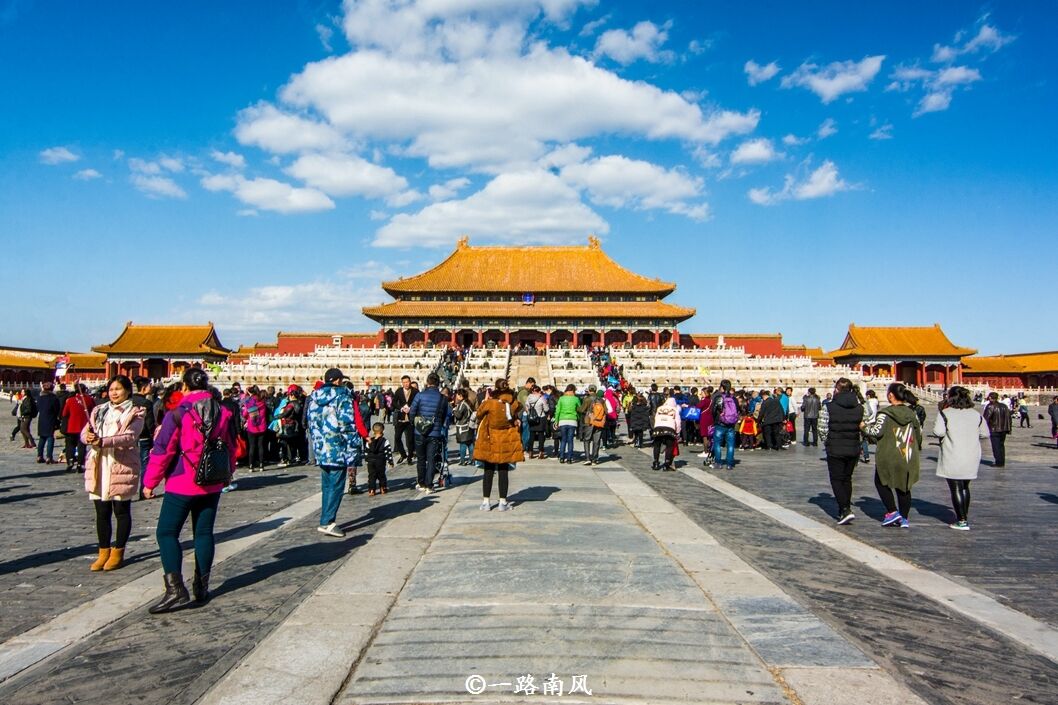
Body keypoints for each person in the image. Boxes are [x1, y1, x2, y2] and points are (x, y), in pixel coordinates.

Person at [143, 368, 236, 612]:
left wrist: (149, 482)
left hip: (182, 480)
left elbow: (163, 450)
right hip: (212, 480)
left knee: (166, 533)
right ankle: (201, 586)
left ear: (184, 386)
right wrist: (228, 474)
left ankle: (175, 589)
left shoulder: (178, 413)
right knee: (203, 533)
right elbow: (229, 446)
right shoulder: (223, 412)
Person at [82, 376, 146, 572]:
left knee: (120, 510)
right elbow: (84, 433)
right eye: (111, 389)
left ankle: (118, 551)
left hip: (121, 465)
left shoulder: (136, 412)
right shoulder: (98, 410)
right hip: (99, 463)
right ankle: (103, 551)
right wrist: (89, 437)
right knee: (101, 512)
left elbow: (130, 436)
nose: (114, 393)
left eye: (118, 389)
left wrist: (104, 441)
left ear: (128, 391)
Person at [306, 368, 366, 537]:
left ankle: (325, 519)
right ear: (338, 381)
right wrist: (354, 448)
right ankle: (327, 521)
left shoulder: (314, 398)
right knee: (337, 485)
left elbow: (311, 423)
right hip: (338, 448)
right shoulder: (342, 396)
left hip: (321, 448)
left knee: (327, 486)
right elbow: (347, 424)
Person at [862, 383, 922, 529]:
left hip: (889, 455)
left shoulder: (885, 414)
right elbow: (918, 434)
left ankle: (892, 511)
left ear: (890, 395)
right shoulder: (912, 414)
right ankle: (905, 518)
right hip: (907, 455)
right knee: (904, 487)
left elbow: (876, 432)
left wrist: (863, 427)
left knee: (881, 482)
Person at [933, 386, 990, 531]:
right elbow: (985, 434)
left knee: (955, 487)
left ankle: (962, 520)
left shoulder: (945, 413)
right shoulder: (976, 414)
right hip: (971, 453)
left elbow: (938, 432)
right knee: (965, 486)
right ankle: (964, 516)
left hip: (953, 452)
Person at [818, 378, 863, 524]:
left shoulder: (828, 407)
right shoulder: (860, 407)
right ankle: (846, 507)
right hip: (854, 447)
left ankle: (845, 509)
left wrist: (828, 441)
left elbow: (822, 428)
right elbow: (864, 426)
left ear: (837, 389)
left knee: (837, 479)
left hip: (835, 447)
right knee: (847, 478)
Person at [473, 379, 524, 511]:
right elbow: (518, 413)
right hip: (505, 440)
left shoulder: (490, 403)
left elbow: (478, 414)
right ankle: (503, 502)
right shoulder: (512, 403)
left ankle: (486, 502)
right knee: (503, 471)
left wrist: (485, 400)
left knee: (488, 470)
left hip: (490, 439)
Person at [408, 372, 452, 493]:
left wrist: (414, 423)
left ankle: (421, 482)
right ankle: (429, 485)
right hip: (435, 432)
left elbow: (412, 412)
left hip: (419, 432)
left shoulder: (420, 395)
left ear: (427, 382)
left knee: (421, 459)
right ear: (438, 384)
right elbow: (444, 416)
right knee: (431, 459)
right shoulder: (443, 398)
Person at [131, 377, 157, 496]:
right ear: (144, 387)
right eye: (149, 385)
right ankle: (143, 490)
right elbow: (149, 423)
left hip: (130, 436)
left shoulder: (129, 400)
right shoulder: (146, 403)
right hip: (144, 436)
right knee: (145, 464)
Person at [61, 384, 94, 472]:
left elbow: (64, 413)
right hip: (84, 427)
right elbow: (94, 412)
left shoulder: (70, 400)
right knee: (81, 446)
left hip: (72, 426)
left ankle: (70, 461)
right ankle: (80, 464)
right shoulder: (89, 399)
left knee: (70, 445)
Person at [710, 380, 739, 469]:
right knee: (730, 444)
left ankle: (718, 463)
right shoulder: (734, 399)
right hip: (731, 425)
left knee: (717, 443)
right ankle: (729, 464)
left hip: (720, 423)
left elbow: (713, 410)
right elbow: (738, 410)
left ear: (722, 387)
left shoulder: (719, 397)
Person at [982, 392, 1012, 468]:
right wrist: (1009, 428)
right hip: (1004, 429)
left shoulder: (990, 406)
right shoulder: (1004, 406)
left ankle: (998, 462)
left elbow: (986, 418)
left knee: (996, 446)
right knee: (1001, 446)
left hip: (994, 429)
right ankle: (1002, 461)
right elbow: (1009, 418)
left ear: (990, 398)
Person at [392, 375, 417, 464]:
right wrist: (401, 408)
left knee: (410, 440)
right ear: (402, 383)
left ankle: (409, 457)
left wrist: (411, 408)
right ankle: (403, 454)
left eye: (407, 382)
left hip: (410, 418)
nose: (406, 384)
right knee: (397, 437)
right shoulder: (399, 391)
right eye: (404, 382)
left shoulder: (415, 391)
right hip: (401, 418)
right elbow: (394, 402)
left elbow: (417, 402)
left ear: (410, 382)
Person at [651, 397, 681, 471]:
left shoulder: (659, 408)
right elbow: (678, 422)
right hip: (669, 428)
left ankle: (656, 463)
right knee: (669, 446)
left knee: (657, 445)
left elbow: (655, 418)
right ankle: (667, 464)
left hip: (658, 427)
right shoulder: (675, 410)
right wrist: (677, 432)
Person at [364, 422, 393, 496]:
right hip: (380, 461)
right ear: (382, 431)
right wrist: (390, 461)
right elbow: (388, 452)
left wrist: (367, 460)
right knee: (381, 475)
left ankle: (371, 490)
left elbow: (366, 452)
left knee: (371, 476)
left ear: (373, 431)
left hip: (371, 462)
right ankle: (383, 488)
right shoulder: (385, 441)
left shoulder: (369, 441)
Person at [35, 382, 62, 464]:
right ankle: (49, 457)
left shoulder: (39, 398)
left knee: (42, 438)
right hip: (50, 419)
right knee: (50, 438)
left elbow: (38, 408)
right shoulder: (53, 398)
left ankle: (39, 456)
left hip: (42, 419)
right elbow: (57, 409)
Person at [242, 389, 269, 471]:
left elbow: (245, 414)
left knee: (252, 447)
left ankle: (251, 466)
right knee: (261, 446)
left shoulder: (250, 404)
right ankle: (261, 465)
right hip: (262, 427)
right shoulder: (263, 404)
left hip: (252, 427)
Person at [554, 384, 580, 463]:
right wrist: (577, 417)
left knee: (563, 440)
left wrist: (556, 421)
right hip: (572, 420)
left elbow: (558, 410)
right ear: (573, 390)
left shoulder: (561, 399)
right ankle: (569, 458)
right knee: (570, 440)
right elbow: (579, 409)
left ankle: (561, 457)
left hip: (562, 420)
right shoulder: (576, 399)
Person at [524, 385, 549, 459]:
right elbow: (546, 409)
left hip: (531, 418)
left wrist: (529, 413)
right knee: (541, 435)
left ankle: (530, 452)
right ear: (539, 391)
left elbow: (526, 407)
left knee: (532, 435)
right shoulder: (542, 398)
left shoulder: (529, 397)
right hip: (541, 418)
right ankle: (541, 452)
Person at [452, 389, 476, 465]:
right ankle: (471, 459)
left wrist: (454, 410)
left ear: (461, 396)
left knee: (463, 444)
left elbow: (458, 416)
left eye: (457, 395)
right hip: (469, 426)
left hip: (463, 427)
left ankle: (462, 460)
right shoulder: (468, 403)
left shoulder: (462, 404)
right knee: (470, 444)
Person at [861, 390, 879, 462]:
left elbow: (868, 412)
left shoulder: (868, 402)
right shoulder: (876, 402)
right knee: (870, 438)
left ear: (868, 395)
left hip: (867, 422)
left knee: (864, 439)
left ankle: (866, 456)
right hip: (873, 421)